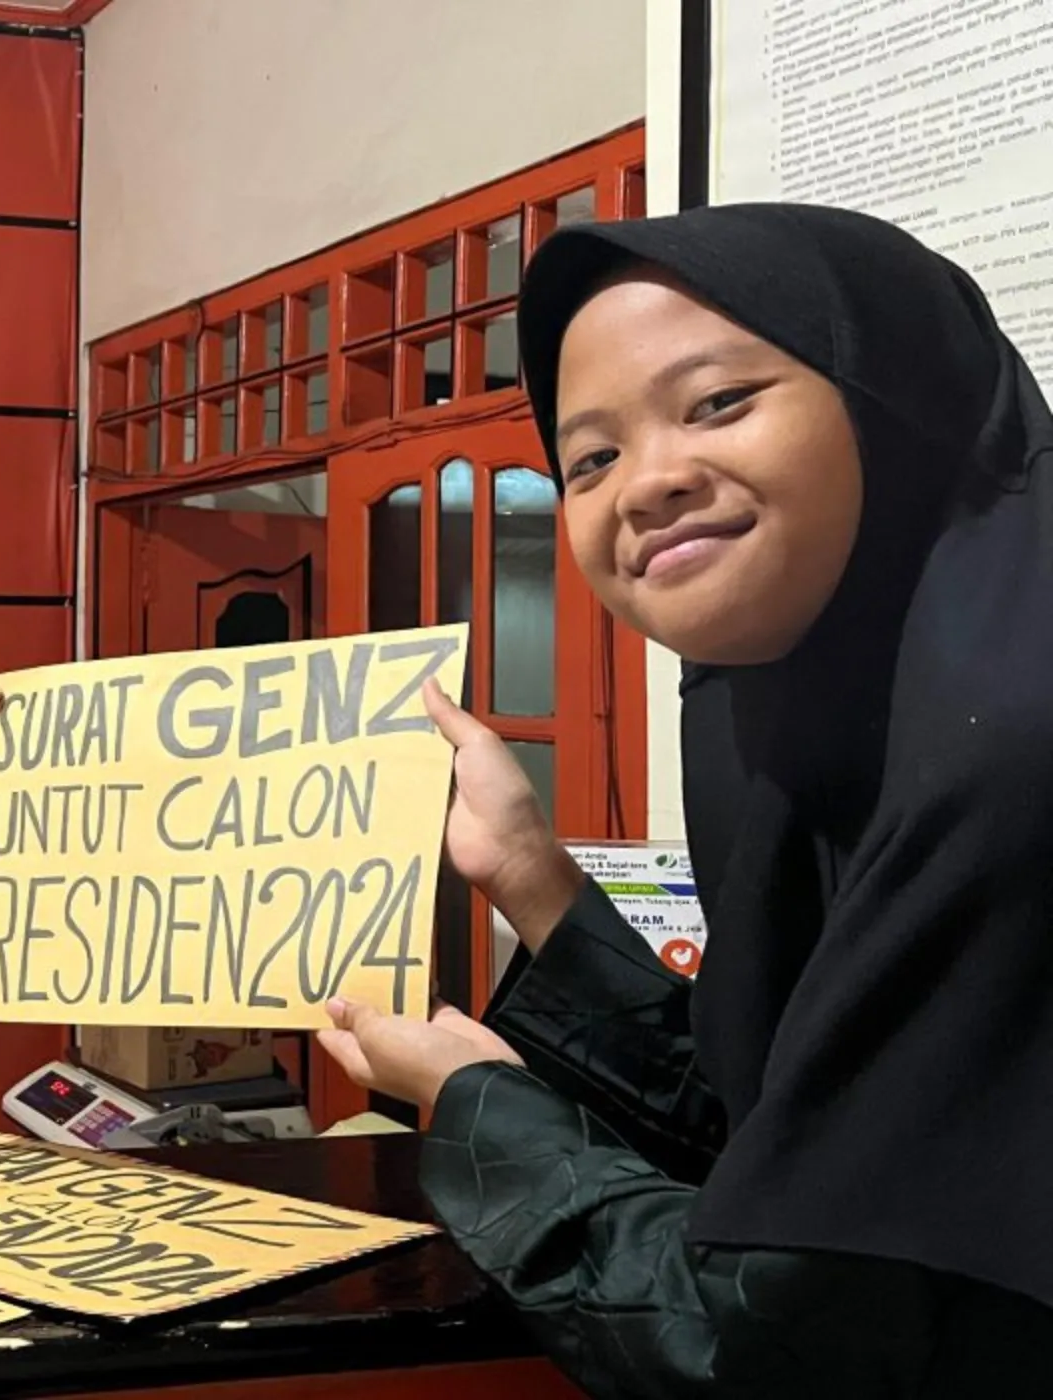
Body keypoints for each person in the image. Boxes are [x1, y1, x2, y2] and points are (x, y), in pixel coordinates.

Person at [315, 202, 1053, 1395]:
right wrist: (536, 877)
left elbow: (787, 1342)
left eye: (719, 402)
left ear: (888, 404)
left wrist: (472, 1105)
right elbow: (780, 1125)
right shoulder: (791, 715)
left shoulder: (1013, 744)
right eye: (591, 458)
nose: (648, 483)